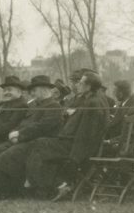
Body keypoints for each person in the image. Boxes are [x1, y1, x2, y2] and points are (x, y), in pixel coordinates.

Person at [32, 71, 111, 200]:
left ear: (89, 86)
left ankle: (55, 186)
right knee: (43, 146)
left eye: (81, 83)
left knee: (39, 145)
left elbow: (85, 135)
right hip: (81, 145)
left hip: (80, 149)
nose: (78, 85)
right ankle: (54, 185)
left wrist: (74, 159)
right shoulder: (93, 99)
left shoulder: (92, 103)